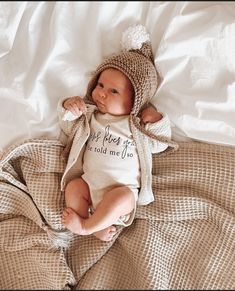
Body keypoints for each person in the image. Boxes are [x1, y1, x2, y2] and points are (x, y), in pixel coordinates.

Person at [58, 25, 177, 241]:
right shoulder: (91, 116)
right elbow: (68, 128)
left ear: (135, 100)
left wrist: (157, 120)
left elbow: (160, 144)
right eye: (100, 85)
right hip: (89, 184)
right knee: (73, 186)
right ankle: (92, 222)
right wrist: (70, 107)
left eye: (113, 91)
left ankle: (86, 227)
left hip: (122, 192)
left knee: (122, 197)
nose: (101, 94)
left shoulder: (136, 124)